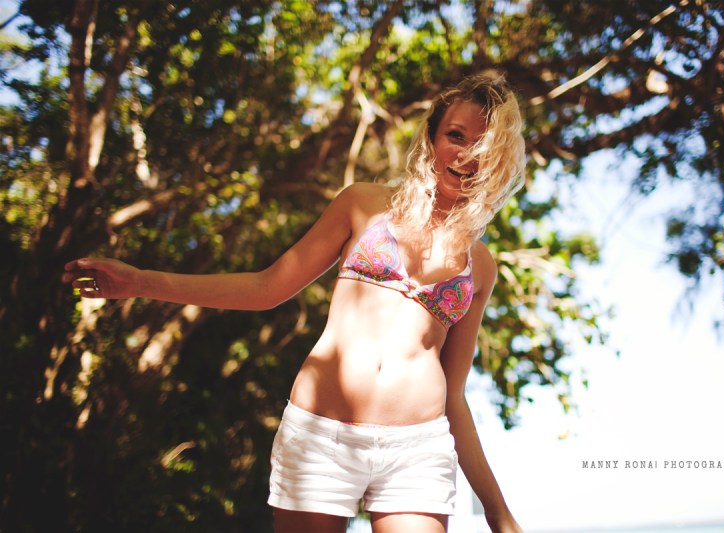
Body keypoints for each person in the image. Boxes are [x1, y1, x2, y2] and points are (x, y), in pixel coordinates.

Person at [63, 73, 527, 533]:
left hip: (416, 450)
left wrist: (498, 513)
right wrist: (141, 281)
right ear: (431, 138)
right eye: (455, 135)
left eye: (482, 145)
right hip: (321, 434)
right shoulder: (363, 204)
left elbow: (454, 397)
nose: (466, 154)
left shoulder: (480, 265)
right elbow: (266, 287)